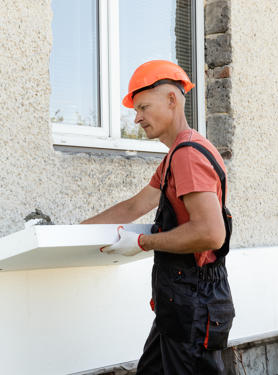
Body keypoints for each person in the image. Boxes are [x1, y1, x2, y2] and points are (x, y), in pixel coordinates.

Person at [82, 60, 234, 374]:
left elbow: (210, 233)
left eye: (143, 107)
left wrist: (142, 242)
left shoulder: (188, 155)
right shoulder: (174, 156)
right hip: (177, 303)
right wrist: (76, 232)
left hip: (194, 303)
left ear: (171, 100)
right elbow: (133, 207)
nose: (136, 118)